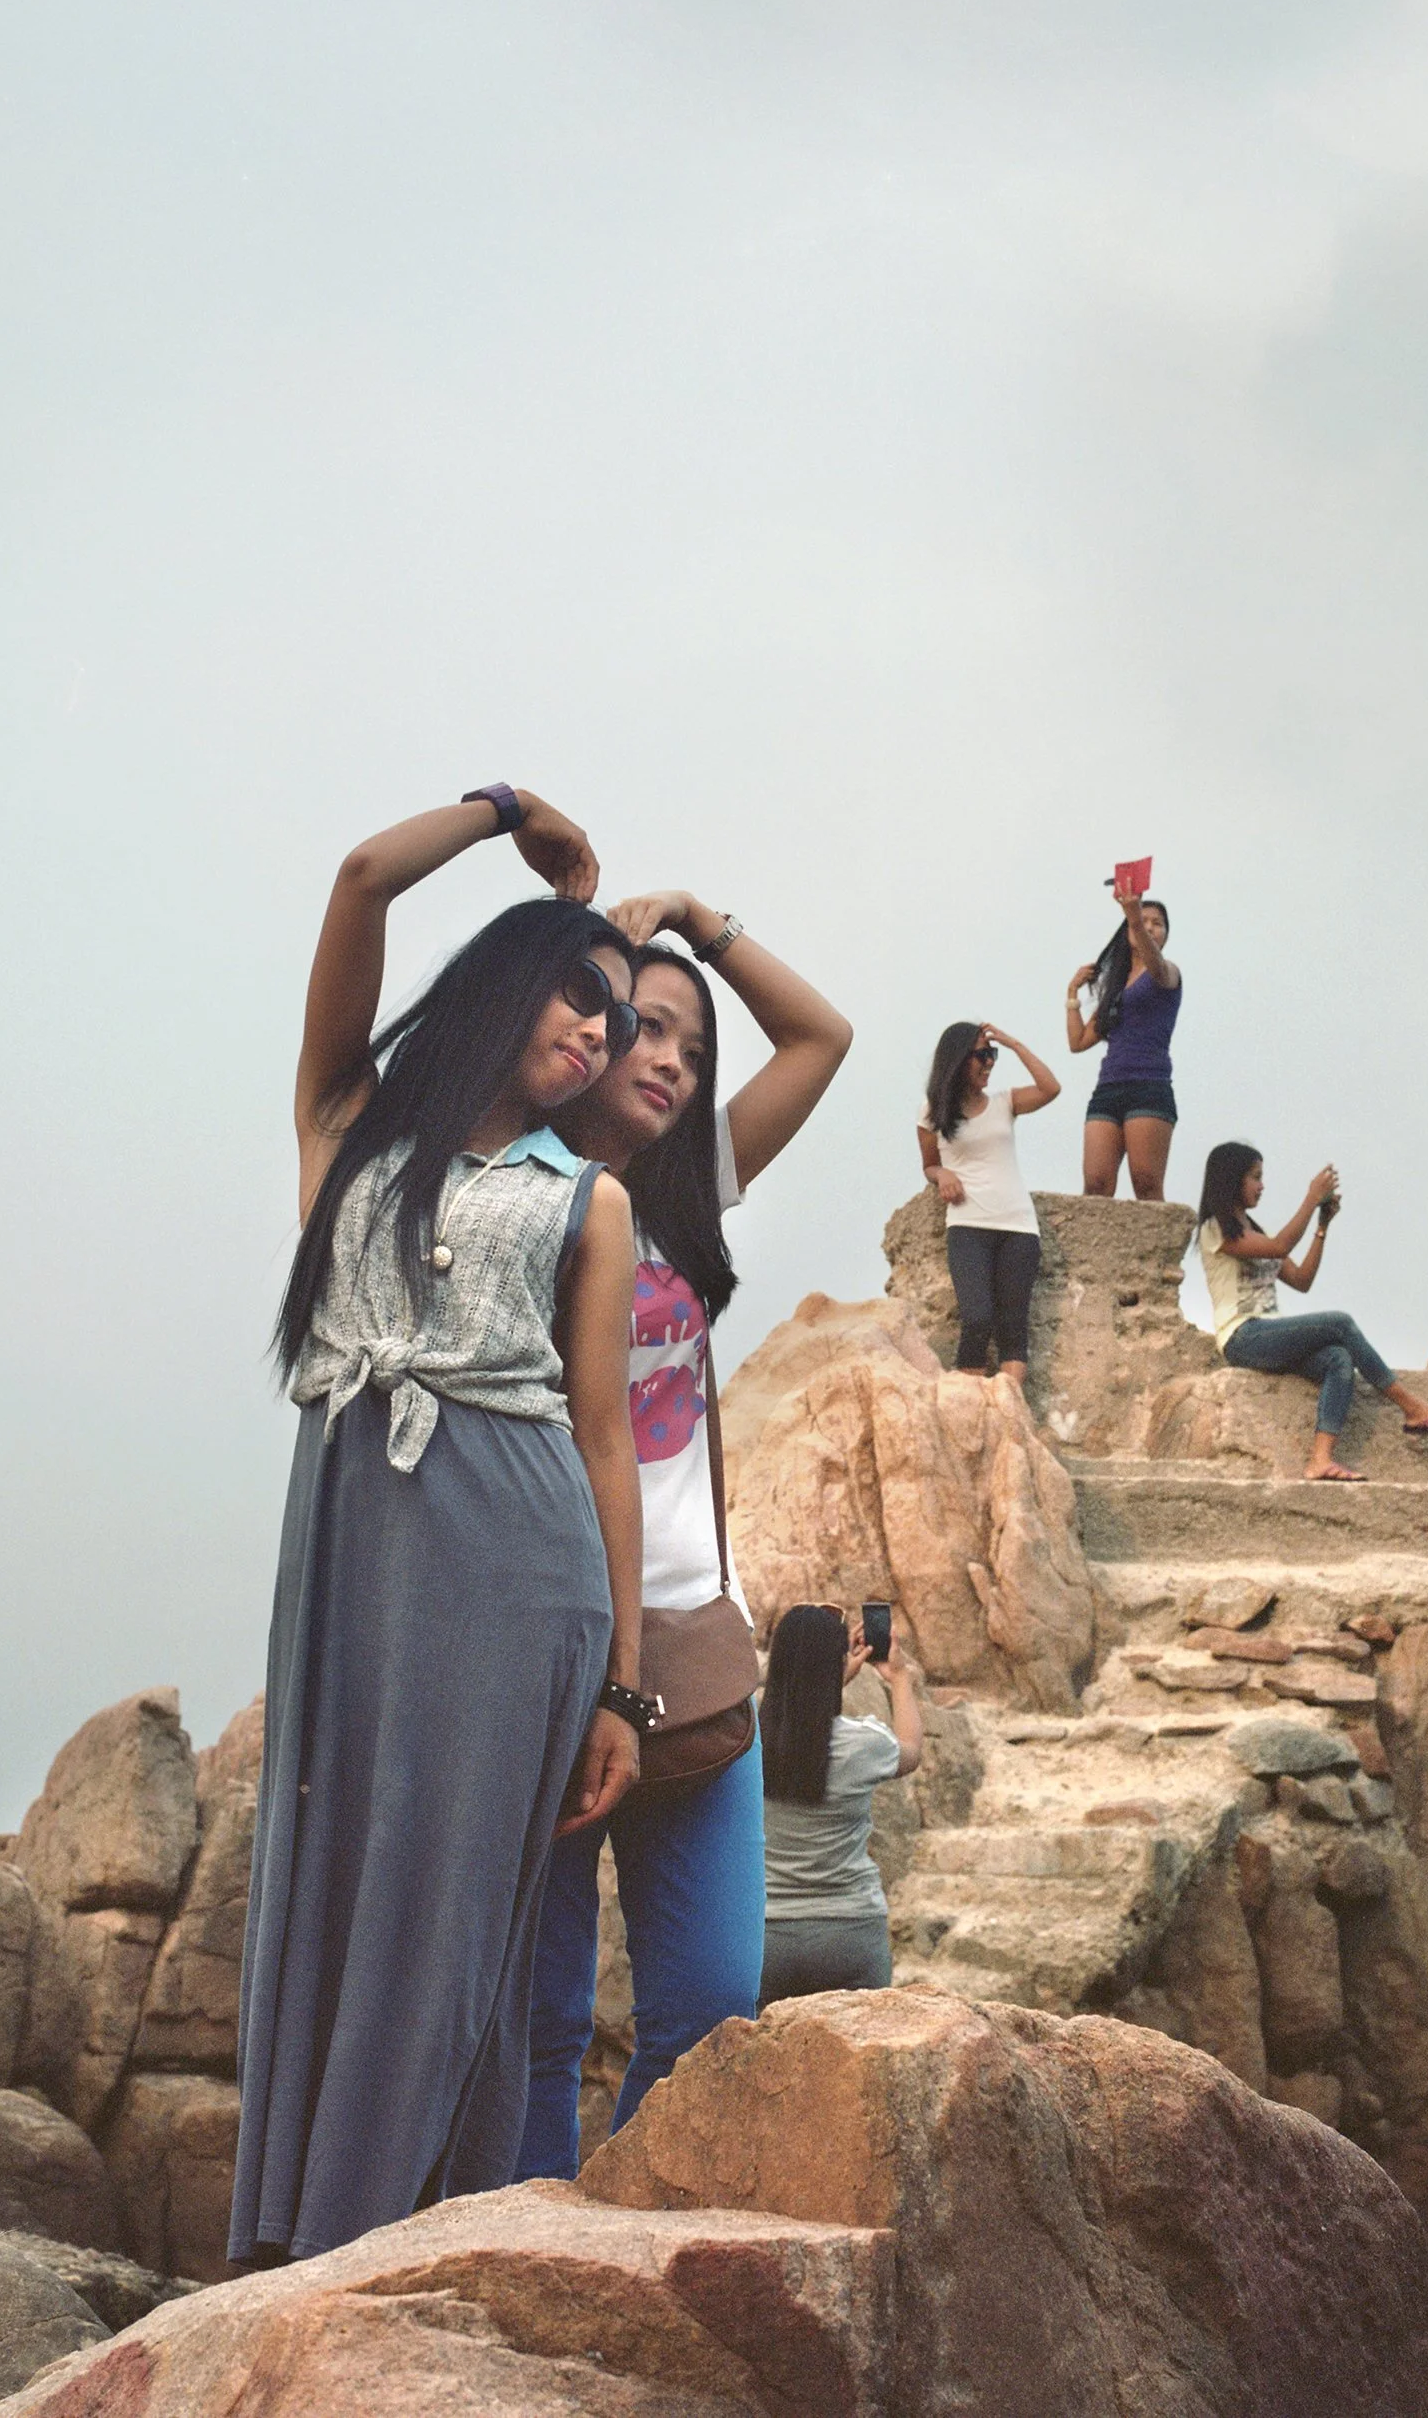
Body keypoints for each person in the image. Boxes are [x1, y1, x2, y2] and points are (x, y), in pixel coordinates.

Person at [232, 786, 652, 2266]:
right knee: (332, 1863)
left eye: (622, 1017)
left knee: (449, 1907)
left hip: (518, 1563)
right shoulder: (344, 1121)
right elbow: (356, 879)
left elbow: (606, 1442)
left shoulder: (587, 1202)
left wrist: (621, 1689)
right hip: (348, 1532)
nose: (602, 1032)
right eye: (580, 997)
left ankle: (393, 2252)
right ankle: (305, 2247)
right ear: (499, 984)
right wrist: (495, 814)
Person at [516, 890, 852, 2179]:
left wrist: (706, 931)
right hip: (556, 1652)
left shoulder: (683, 1193)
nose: (668, 1060)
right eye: (646, 1029)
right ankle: (523, 2248)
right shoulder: (515, 1201)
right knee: (540, 2022)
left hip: (695, 1658)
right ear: (581, 1034)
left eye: (691, 1049)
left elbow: (820, 1038)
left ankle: (624, 2226)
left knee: (712, 2009)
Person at [1193, 1141, 1428, 1482]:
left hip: (1268, 1334)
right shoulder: (1214, 1229)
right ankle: (1412, 1408)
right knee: (1340, 1322)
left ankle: (1320, 1460)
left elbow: (1300, 1279)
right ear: (1232, 1179)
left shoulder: (1254, 1232)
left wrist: (1322, 1225)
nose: (1261, 1186)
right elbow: (1281, 1246)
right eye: (1255, 1177)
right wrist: (1311, 1198)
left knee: (1339, 1358)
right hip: (1243, 1335)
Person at [758, 1604, 923, 2005]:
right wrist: (898, 1676)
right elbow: (912, 1750)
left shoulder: (749, 1743)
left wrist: (825, 1681)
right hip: (850, 1934)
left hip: (767, 1939)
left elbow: (792, 1713)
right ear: (838, 1666)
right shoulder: (865, 1745)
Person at [917, 1019, 1061, 1383]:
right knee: (977, 1318)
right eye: (982, 1054)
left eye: (992, 1054)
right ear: (958, 1058)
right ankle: (970, 1408)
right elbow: (930, 1166)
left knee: (1013, 1327)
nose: (990, 1062)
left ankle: (1009, 1418)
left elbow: (1050, 1088)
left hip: (1018, 1226)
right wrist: (942, 1175)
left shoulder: (1005, 1103)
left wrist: (1013, 1044)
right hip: (968, 1225)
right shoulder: (932, 1111)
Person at [1066, 884, 1179, 1200]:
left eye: (1157, 923)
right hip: (1109, 1088)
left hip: (1149, 1085)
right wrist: (1072, 993)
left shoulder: (1166, 973)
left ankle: (1157, 1248)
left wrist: (1132, 914)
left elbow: (1155, 964)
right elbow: (1078, 1042)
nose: (1150, 927)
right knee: (1096, 1185)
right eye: (1145, 921)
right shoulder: (1116, 987)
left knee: (1146, 1182)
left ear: (1166, 935)